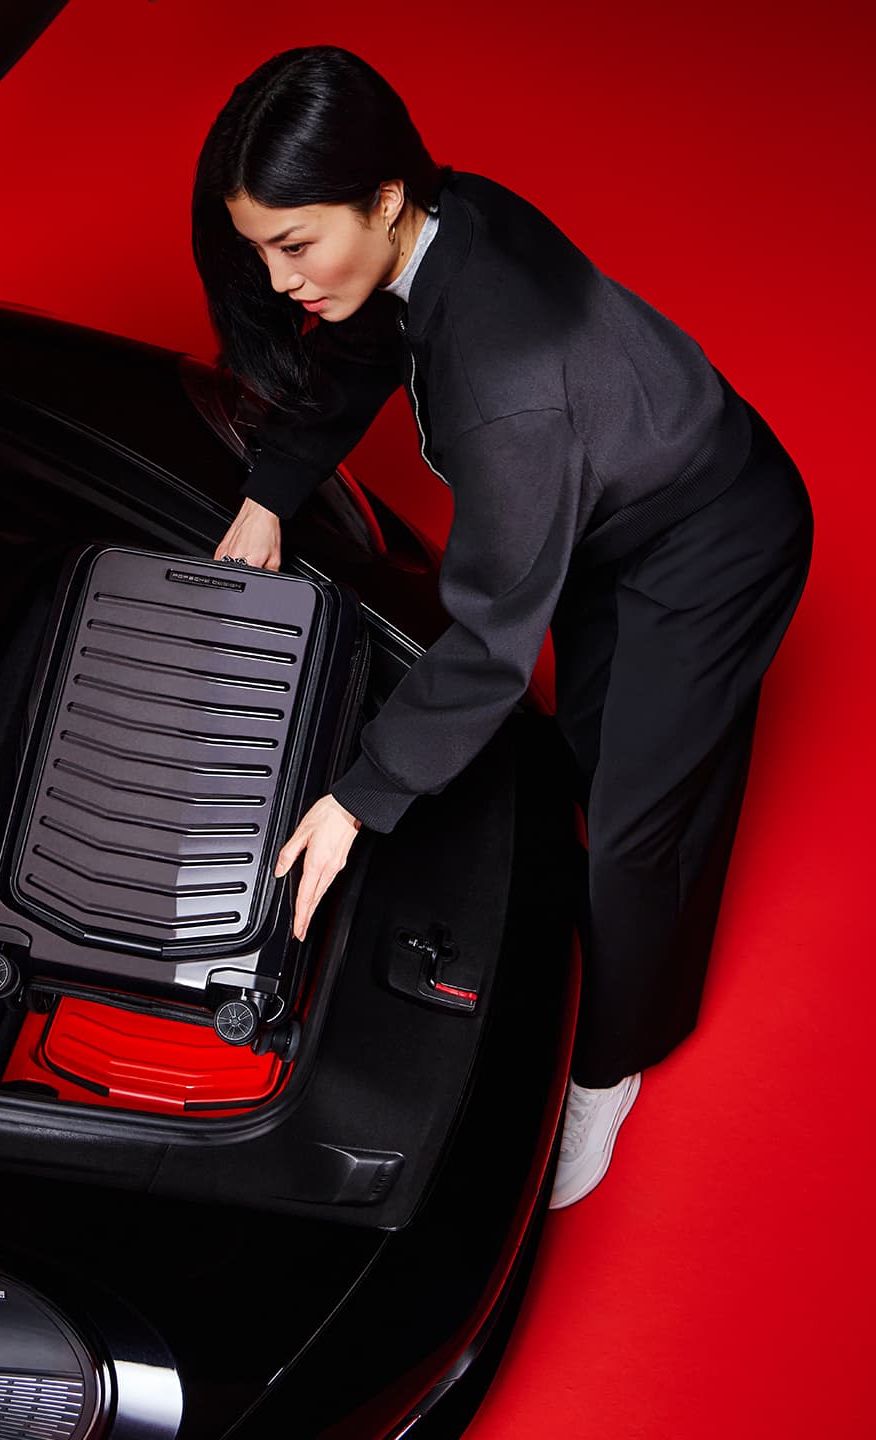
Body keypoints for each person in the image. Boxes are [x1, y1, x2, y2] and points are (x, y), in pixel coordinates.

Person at [191, 46, 813, 1207]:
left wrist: (356, 799)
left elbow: (486, 646)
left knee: (637, 828)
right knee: (580, 759)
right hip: (613, 507)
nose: (278, 282)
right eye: (260, 250)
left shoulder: (509, 386)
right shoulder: (438, 214)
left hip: (715, 538)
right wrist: (271, 492)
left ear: (382, 200)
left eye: (292, 245)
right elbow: (362, 347)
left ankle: (613, 1063)